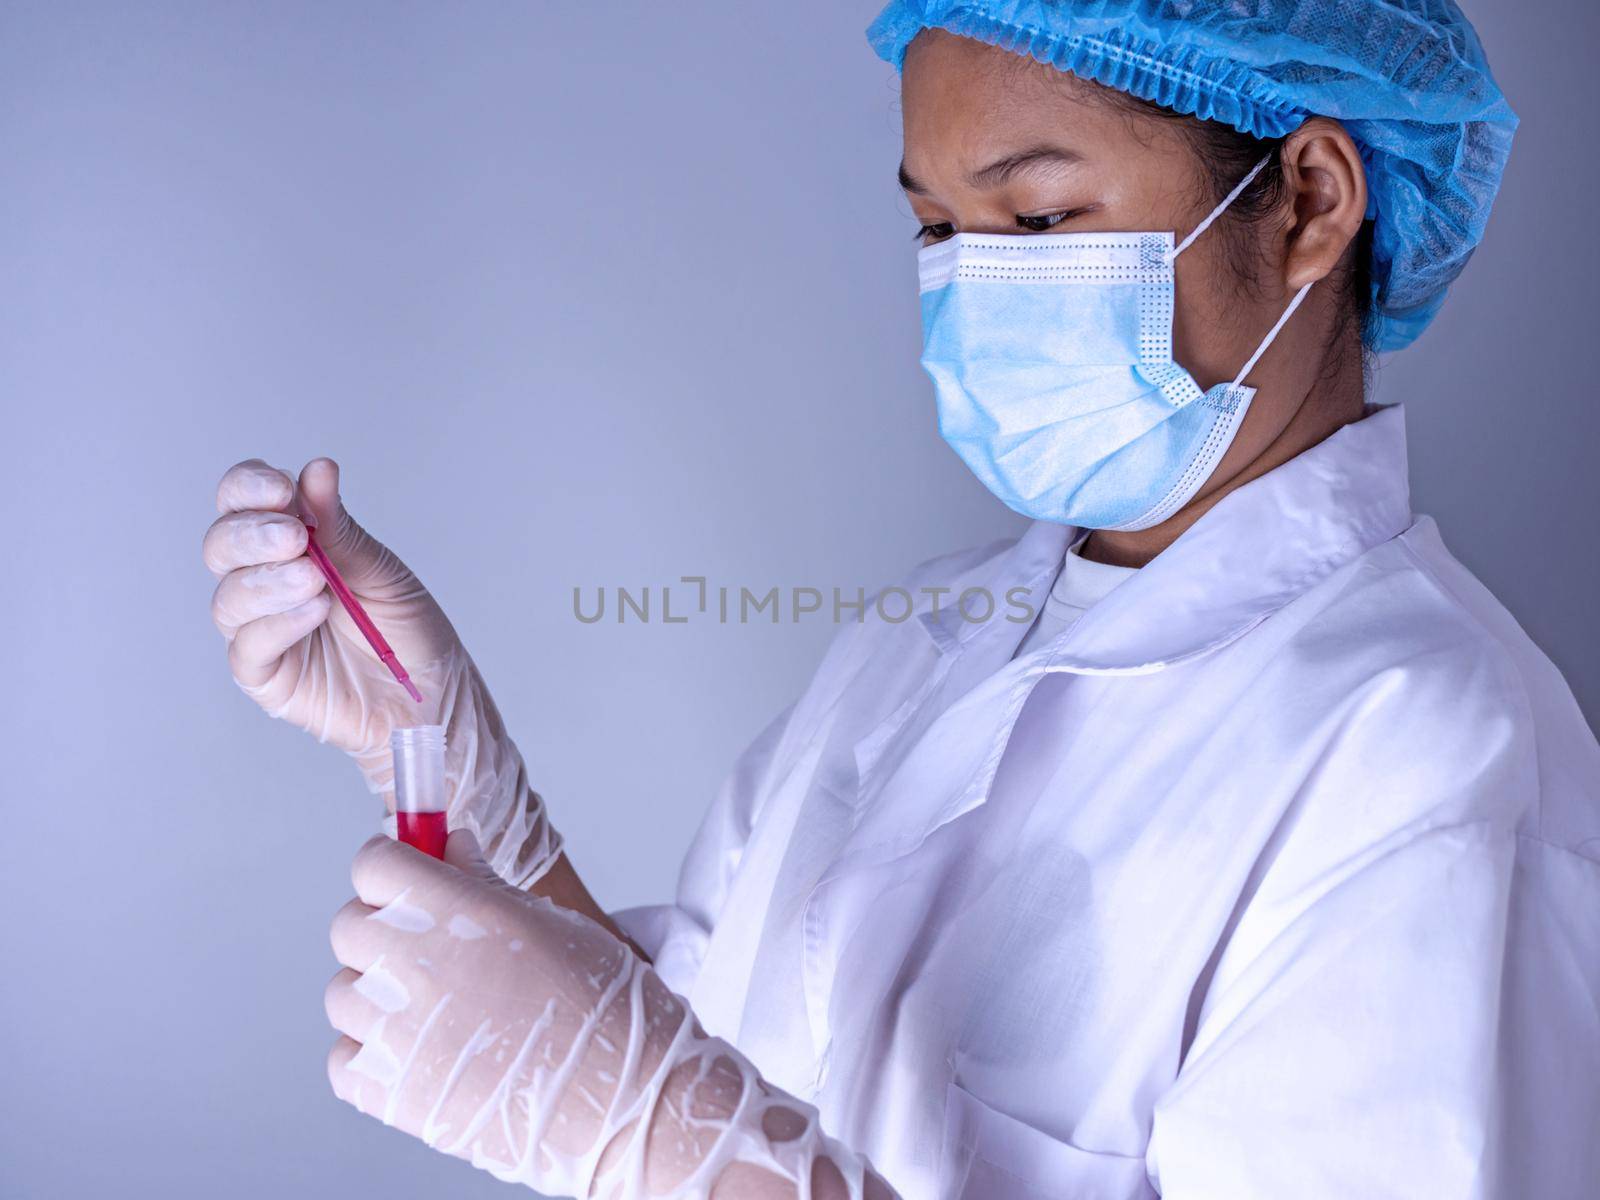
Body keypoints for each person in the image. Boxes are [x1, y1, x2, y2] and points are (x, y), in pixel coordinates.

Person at [202, 3, 1600, 1197]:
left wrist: (660, 1145)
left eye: (1039, 216)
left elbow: (675, 1129)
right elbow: (687, 1060)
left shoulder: (1436, 758)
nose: (972, 284)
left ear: (1308, 200)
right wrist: (450, 764)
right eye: (937, 225)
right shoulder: (925, 642)